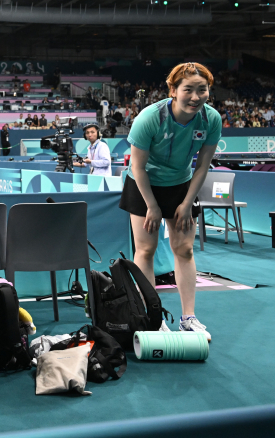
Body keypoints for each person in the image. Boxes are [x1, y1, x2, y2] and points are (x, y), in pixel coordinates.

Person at [119, 62, 221, 341]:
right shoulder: (149, 118)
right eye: (188, 89)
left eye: (202, 90)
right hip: (144, 184)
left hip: (181, 183)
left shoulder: (211, 119)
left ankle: (189, 318)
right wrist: (152, 205)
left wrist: (187, 203)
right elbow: (137, 167)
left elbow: (202, 166)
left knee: (184, 248)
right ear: (173, 91)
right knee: (146, 249)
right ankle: (152, 317)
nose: (196, 96)